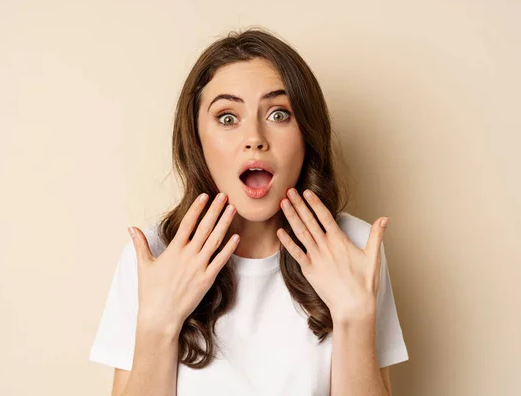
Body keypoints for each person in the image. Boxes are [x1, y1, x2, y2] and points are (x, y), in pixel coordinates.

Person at [89, 27, 409, 395]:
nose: (254, 137)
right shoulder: (153, 255)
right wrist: (157, 326)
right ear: (196, 140)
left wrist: (355, 317)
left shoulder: (354, 248)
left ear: (307, 133)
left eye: (278, 114)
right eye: (227, 117)